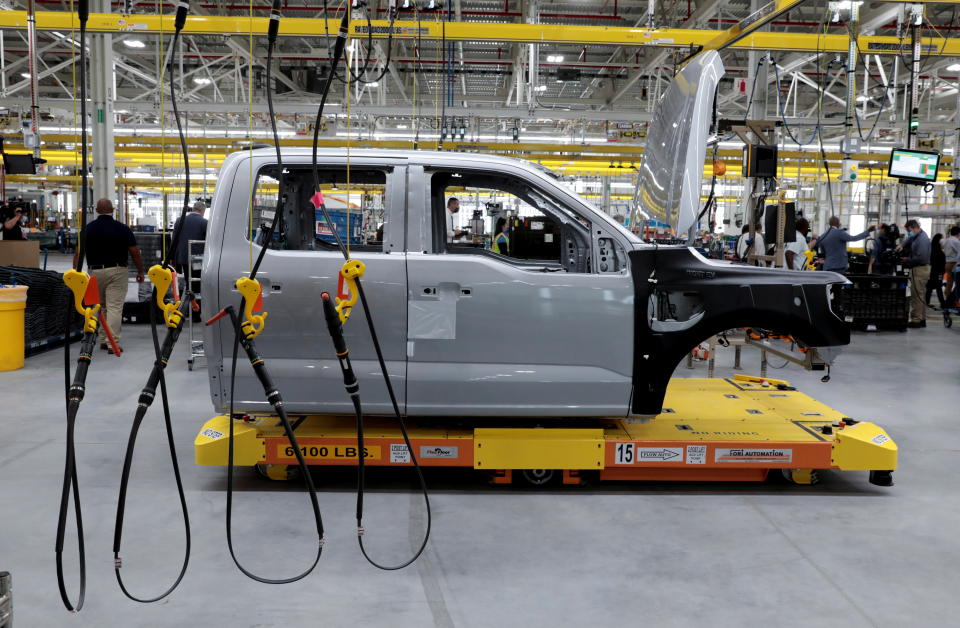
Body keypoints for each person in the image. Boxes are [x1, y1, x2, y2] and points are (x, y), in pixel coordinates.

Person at [75, 198, 145, 352]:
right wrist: (140, 271)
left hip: (94, 272)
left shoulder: (87, 229)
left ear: (97, 211)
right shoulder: (123, 228)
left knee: (100, 306)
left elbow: (78, 254)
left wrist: (76, 275)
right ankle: (111, 343)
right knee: (114, 307)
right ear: (113, 210)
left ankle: (102, 339)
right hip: (117, 271)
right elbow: (135, 252)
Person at [897, 219, 931, 328]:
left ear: (914, 227)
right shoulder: (917, 236)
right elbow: (909, 239)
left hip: (920, 269)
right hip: (918, 269)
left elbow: (922, 258)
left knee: (916, 296)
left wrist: (907, 260)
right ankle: (922, 319)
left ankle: (916, 320)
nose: (908, 233)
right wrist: (901, 245)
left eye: (909, 230)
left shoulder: (922, 240)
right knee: (920, 296)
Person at [172, 200, 208, 293]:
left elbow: (174, 240)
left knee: (188, 279)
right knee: (197, 280)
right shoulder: (204, 222)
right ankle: (195, 302)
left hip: (183, 257)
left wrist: (173, 259)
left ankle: (189, 296)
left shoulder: (179, 220)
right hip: (197, 258)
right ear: (202, 210)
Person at [925, 233, 946, 308]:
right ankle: (943, 304)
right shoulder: (939, 251)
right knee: (938, 288)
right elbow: (942, 263)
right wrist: (943, 272)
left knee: (929, 287)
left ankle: (926, 302)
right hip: (938, 272)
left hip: (931, 271)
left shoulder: (931, 249)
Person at [943, 226, 960, 306]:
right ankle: (952, 301)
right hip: (954, 263)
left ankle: (948, 300)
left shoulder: (947, 240)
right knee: (957, 284)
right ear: (958, 233)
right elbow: (959, 253)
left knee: (949, 283)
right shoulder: (956, 241)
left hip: (947, 263)